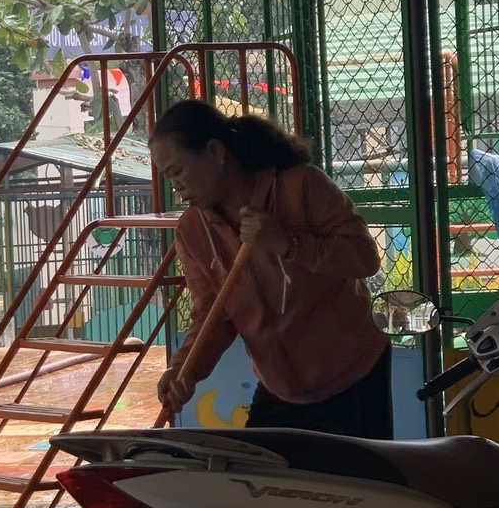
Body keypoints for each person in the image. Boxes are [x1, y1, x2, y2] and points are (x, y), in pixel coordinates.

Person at [151, 99, 392, 438]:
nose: (175, 186)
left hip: (353, 377)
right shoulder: (192, 233)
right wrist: (184, 369)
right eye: (168, 177)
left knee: (357, 475)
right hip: (279, 392)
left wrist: (289, 243)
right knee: (258, 472)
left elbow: (364, 257)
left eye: (177, 171)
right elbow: (212, 315)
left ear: (216, 151)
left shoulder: (301, 186)